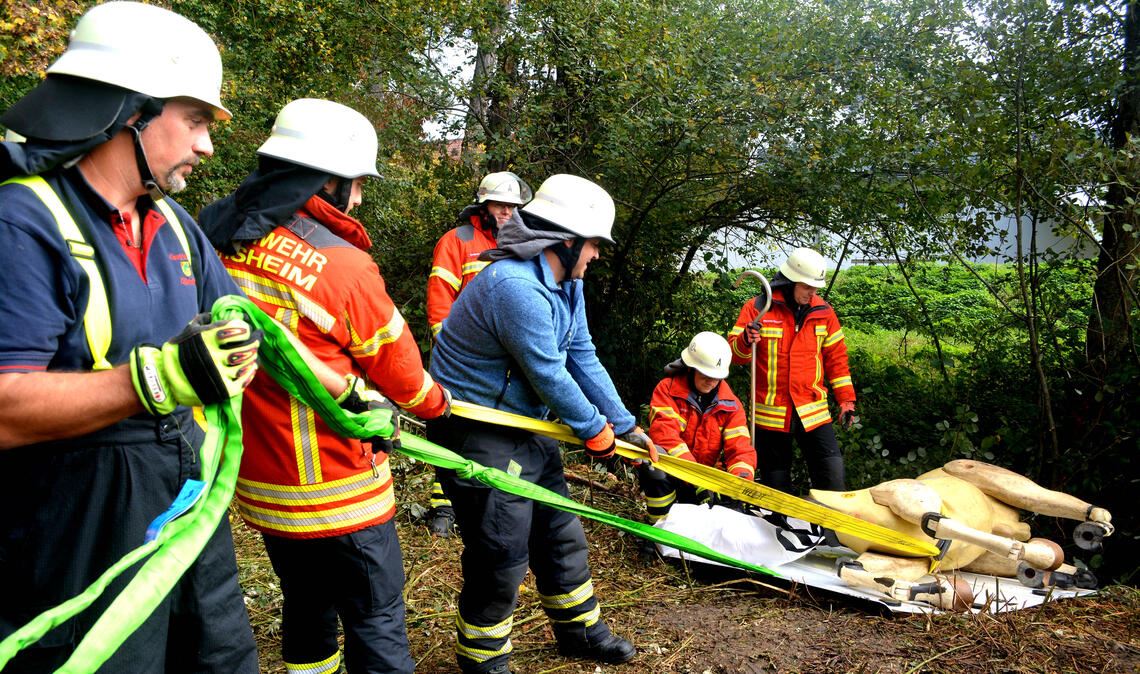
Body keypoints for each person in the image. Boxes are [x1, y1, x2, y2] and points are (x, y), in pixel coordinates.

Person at [0, 2, 260, 670]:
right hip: (76, 525)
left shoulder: (173, 224)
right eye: (195, 120)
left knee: (220, 656)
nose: (207, 145)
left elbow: (242, 326)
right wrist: (154, 381)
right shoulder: (22, 224)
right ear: (130, 111)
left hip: (185, 505)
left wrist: (340, 393)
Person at [198, 98, 451, 674]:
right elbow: (403, 376)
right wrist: (439, 405)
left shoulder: (218, 233)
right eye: (356, 184)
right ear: (326, 179)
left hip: (261, 483)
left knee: (306, 606)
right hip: (340, 488)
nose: (357, 199)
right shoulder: (341, 267)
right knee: (376, 616)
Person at [427, 174, 657, 674]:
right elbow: (547, 371)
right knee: (501, 547)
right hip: (477, 429)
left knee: (559, 532)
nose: (597, 255)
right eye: (593, 244)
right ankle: (483, 657)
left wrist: (623, 424)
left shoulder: (567, 283)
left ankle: (580, 630)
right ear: (566, 240)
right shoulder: (514, 286)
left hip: (525, 423)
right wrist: (595, 431)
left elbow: (580, 353)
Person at [424, 171, 531, 536]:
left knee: (490, 436)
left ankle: (486, 498)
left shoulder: (520, 245)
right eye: (500, 206)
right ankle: (443, 506)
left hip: (500, 363)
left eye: (513, 207)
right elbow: (440, 301)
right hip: (461, 361)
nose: (507, 213)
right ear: (483, 206)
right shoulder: (457, 241)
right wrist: (449, 353)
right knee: (453, 430)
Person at [726, 247, 856, 493]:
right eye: (807, 287)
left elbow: (836, 360)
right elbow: (734, 357)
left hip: (813, 411)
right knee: (776, 490)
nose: (812, 292)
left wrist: (846, 400)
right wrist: (745, 340)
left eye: (815, 287)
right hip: (770, 415)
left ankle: (827, 520)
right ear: (790, 281)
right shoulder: (758, 308)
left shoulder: (824, 313)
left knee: (832, 480)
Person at [639, 332, 756, 522]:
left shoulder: (731, 406)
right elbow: (665, 436)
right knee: (653, 464)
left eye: (716, 376)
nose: (711, 381)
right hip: (677, 474)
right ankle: (659, 526)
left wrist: (739, 484)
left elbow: (740, 450)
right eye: (705, 374)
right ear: (691, 368)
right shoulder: (667, 390)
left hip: (708, 484)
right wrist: (697, 478)